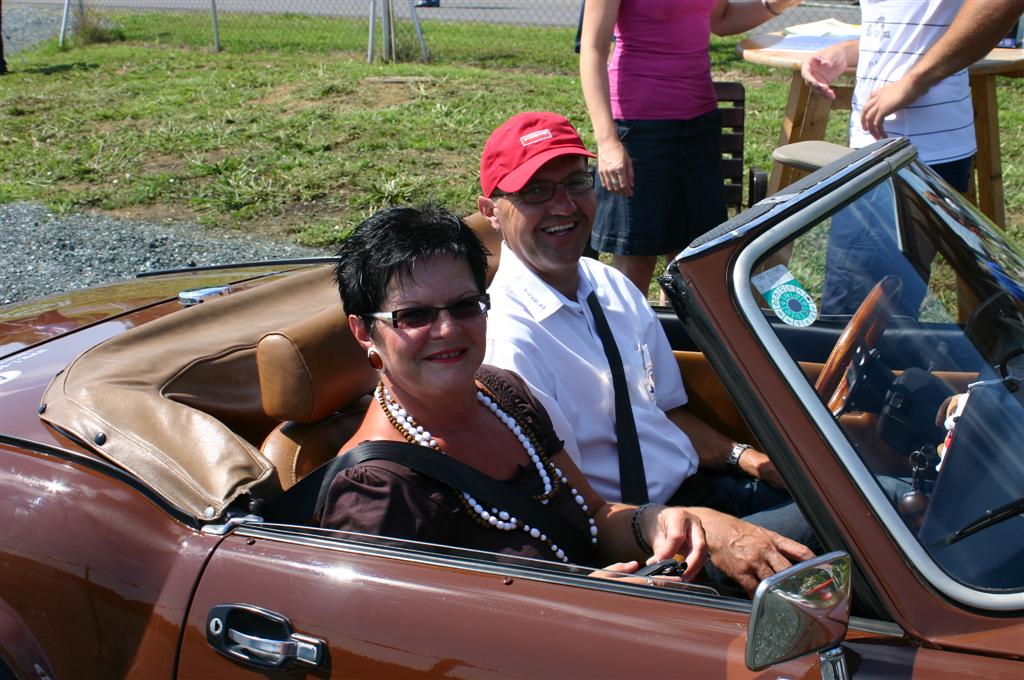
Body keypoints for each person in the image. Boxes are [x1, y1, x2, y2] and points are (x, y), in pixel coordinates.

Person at [478, 112, 816, 595]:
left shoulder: (609, 285)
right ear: (491, 211)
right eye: (535, 191)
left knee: (859, 494)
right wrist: (690, 528)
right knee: (874, 513)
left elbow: (664, 413)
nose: (563, 206)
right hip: (645, 545)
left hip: (700, 493)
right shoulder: (509, 344)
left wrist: (749, 459)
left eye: (576, 183)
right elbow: (570, 506)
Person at [319, 204, 707, 583]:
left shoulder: (503, 393)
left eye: (465, 305)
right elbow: (398, 638)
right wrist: (593, 603)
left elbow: (595, 513)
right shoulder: (374, 492)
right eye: (415, 315)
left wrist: (651, 523)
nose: (448, 330)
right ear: (363, 332)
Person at [801, 0, 1024, 314]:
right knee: (867, 314)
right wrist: (850, 51)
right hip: (881, 151)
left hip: (913, 154)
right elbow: (913, 27)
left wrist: (916, 80)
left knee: (857, 315)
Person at [579, 0, 803, 295]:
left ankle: (680, 340)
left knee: (693, 261)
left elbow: (720, 19)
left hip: (700, 123)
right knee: (636, 261)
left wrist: (777, 5)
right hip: (639, 125)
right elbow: (592, 49)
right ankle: (631, 340)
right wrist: (608, 142)